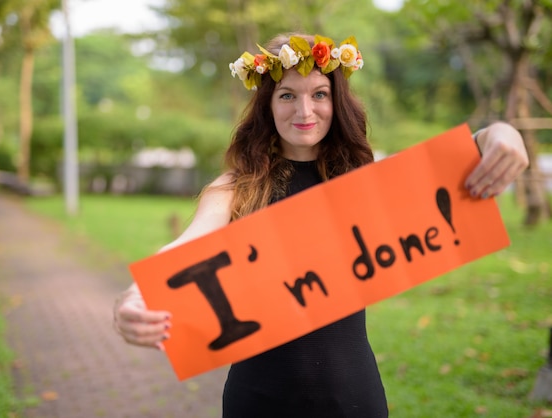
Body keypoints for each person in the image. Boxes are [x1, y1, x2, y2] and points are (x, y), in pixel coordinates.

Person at [113, 33, 529, 417]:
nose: (305, 110)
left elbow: (448, 167)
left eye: (320, 94)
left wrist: (502, 133)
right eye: (288, 95)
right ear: (267, 104)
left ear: (337, 101)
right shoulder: (234, 188)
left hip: (352, 398)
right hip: (257, 402)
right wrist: (136, 296)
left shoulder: (363, 181)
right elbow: (189, 244)